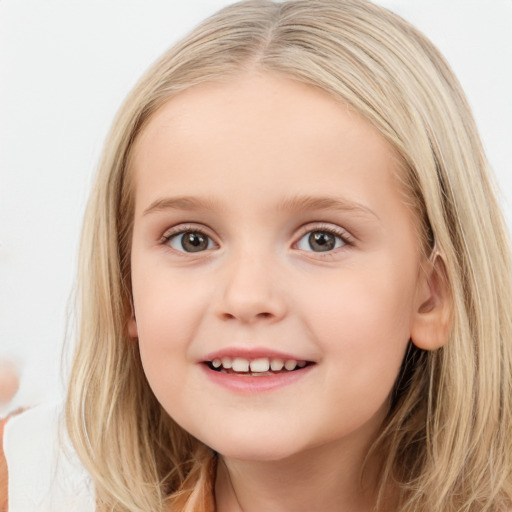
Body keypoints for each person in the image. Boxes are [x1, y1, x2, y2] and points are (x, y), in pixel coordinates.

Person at [5, 0, 512, 510]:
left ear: (433, 295)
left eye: (322, 239)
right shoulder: (25, 486)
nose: (246, 297)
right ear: (125, 287)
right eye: (192, 239)